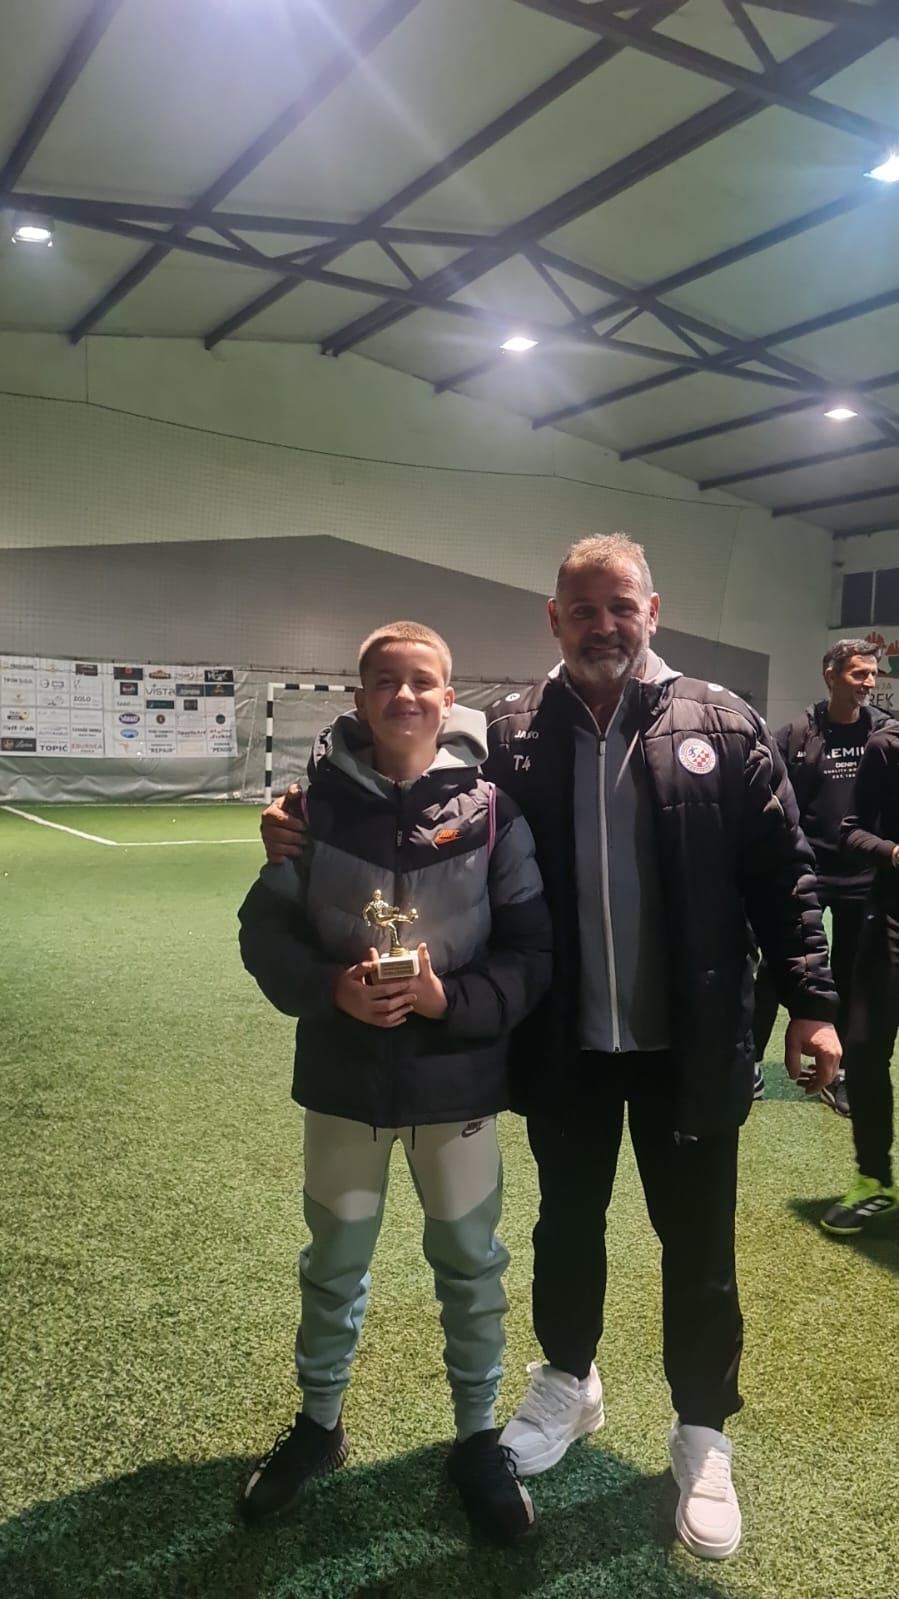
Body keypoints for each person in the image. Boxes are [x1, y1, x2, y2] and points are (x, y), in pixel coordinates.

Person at [261, 535, 840, 1563]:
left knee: (696, 1248)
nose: (602, 625)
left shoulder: (721, 721)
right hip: (562, 1043)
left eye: (619, 607)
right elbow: (396, 761)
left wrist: (810, 1003)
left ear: (651, 610)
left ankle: (700, 1431)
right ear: (554, 619)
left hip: (688, 1045)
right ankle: (568, 1384)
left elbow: (781, 873)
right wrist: (298, 815)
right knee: (564, 1229)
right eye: (582, 609)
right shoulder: (510, 733)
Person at [237, 620, 551, 1545]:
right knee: (332, 1264)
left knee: (471, 1268)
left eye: (422, 682)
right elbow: (263, 935)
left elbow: (532, 954)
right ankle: (319, 1423)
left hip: (455, 1089)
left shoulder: (493, 812)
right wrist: (330, 987)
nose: (404, 695)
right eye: (386, 680)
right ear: (359, 695)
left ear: (449, 698)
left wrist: (450, 999)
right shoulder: (311, 811)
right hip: (344, 1083)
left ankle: (476, 1439)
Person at [752, 639, 886, 1112]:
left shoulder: (884, 733)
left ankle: (838, 1071)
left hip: (863, 875)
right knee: (776, 967)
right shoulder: (795, 734)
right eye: (858, 673)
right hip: (805, 870)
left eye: (872, 674)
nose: (868, 682)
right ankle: (750, 1063)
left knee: (850, 975)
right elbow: (770, 800)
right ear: (831, 676)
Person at [820, 722, 899, 1235]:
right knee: (866, 1050)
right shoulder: (887, 747)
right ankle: (875, 1180)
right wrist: (893, 853)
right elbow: (850, 831)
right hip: (891, 918)